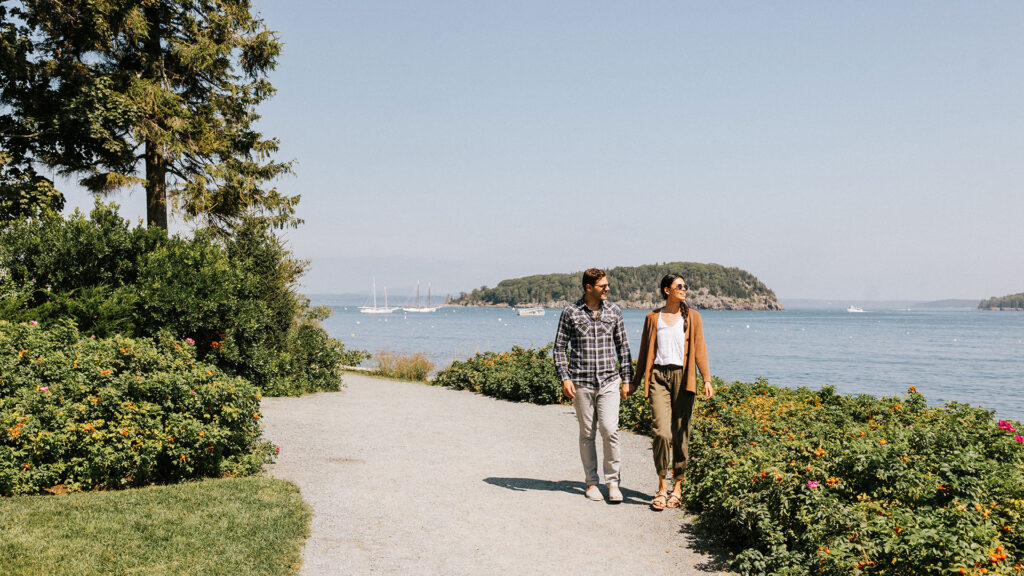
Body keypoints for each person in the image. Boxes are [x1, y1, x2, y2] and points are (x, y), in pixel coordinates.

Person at [629, 273, 713, 511]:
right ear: (667, 290)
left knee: (680, 433)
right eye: (679, 286)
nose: (684, 289)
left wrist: (706, 379)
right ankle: (661, 487)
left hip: (683, 378)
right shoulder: (652, 317)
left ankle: (678, 487)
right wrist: (636, 381)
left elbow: (700, 348)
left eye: (685, 286)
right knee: (661, 433)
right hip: (658, 376)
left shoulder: (693, 317)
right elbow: (644, 350)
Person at [553, 268, 633, 503]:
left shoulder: (615, 311)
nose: (607, 288)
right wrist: (565, 378)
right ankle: (591, 483)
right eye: (603, 285)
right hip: (581, 382)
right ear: (589, 288)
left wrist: (627, 379)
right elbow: (559, 348)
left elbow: (623, 348)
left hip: (609, 381)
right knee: (587, 434)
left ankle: (613, 482)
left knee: (610, 430)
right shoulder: (570, 312)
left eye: (607, 284)